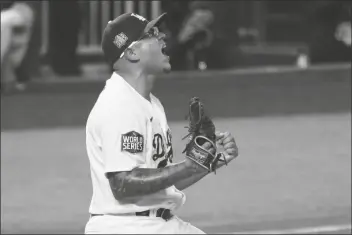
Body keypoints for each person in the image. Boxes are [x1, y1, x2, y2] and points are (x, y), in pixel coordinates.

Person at [84, 12, 239, 234]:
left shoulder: (149, 103)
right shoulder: (119, 104)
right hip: (126, 226)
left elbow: (161, 182)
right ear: (131, 52)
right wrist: (189, 164)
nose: (162, 36)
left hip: (153, 223)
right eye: (152, 33)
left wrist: (210, 161)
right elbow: (123, 184)